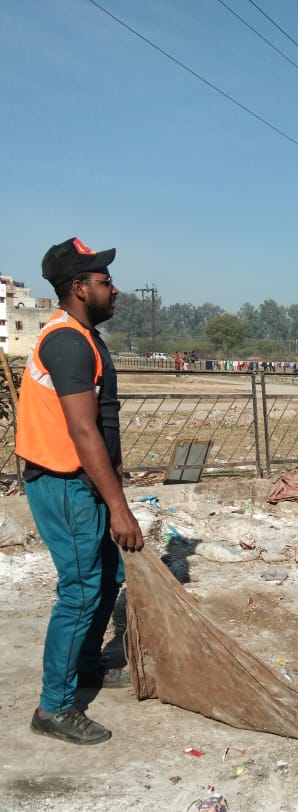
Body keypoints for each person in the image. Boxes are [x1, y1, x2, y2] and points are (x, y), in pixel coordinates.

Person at [15, 236, 144, 745]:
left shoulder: (85, 337)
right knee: (81, 589)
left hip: (84, 481)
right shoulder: (67, 342)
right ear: (79, 287)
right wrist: (119, 507)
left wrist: (115, 485)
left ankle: (86, 663)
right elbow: (82, 430)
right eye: (105, 281)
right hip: (64, 482)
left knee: (108, 573)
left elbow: (101, 423)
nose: (115, 289)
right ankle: (54, 706)